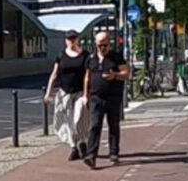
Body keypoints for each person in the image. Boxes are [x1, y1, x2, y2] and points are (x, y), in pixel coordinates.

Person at [84, 31, 129, 168]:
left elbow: (126, 74)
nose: (102, 48)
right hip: (96, 97)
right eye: (100, 46)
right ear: (95, 45)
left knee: (113, 125)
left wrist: (115, 75)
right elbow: (87, 77)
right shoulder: (91, 58)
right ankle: (91, 155)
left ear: (109, 44)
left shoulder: (116, 57)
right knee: (94, 125)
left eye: (105, 45)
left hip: (113, 97)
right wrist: (85, 95)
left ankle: (114, 153)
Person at [43, 30, 90, 161]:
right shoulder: (61, 55)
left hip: (80, 92)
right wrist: (48, 93)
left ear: (78, 39)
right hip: (65, 92)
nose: (71, 41)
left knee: (79, 118)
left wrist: (86, 94)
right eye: (69, 39)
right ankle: (74, 146)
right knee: (68, 121)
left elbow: (88, 75)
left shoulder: (85, 55)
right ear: (65, 41)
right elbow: (54, 74)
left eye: (74, 38)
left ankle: (82, 141)